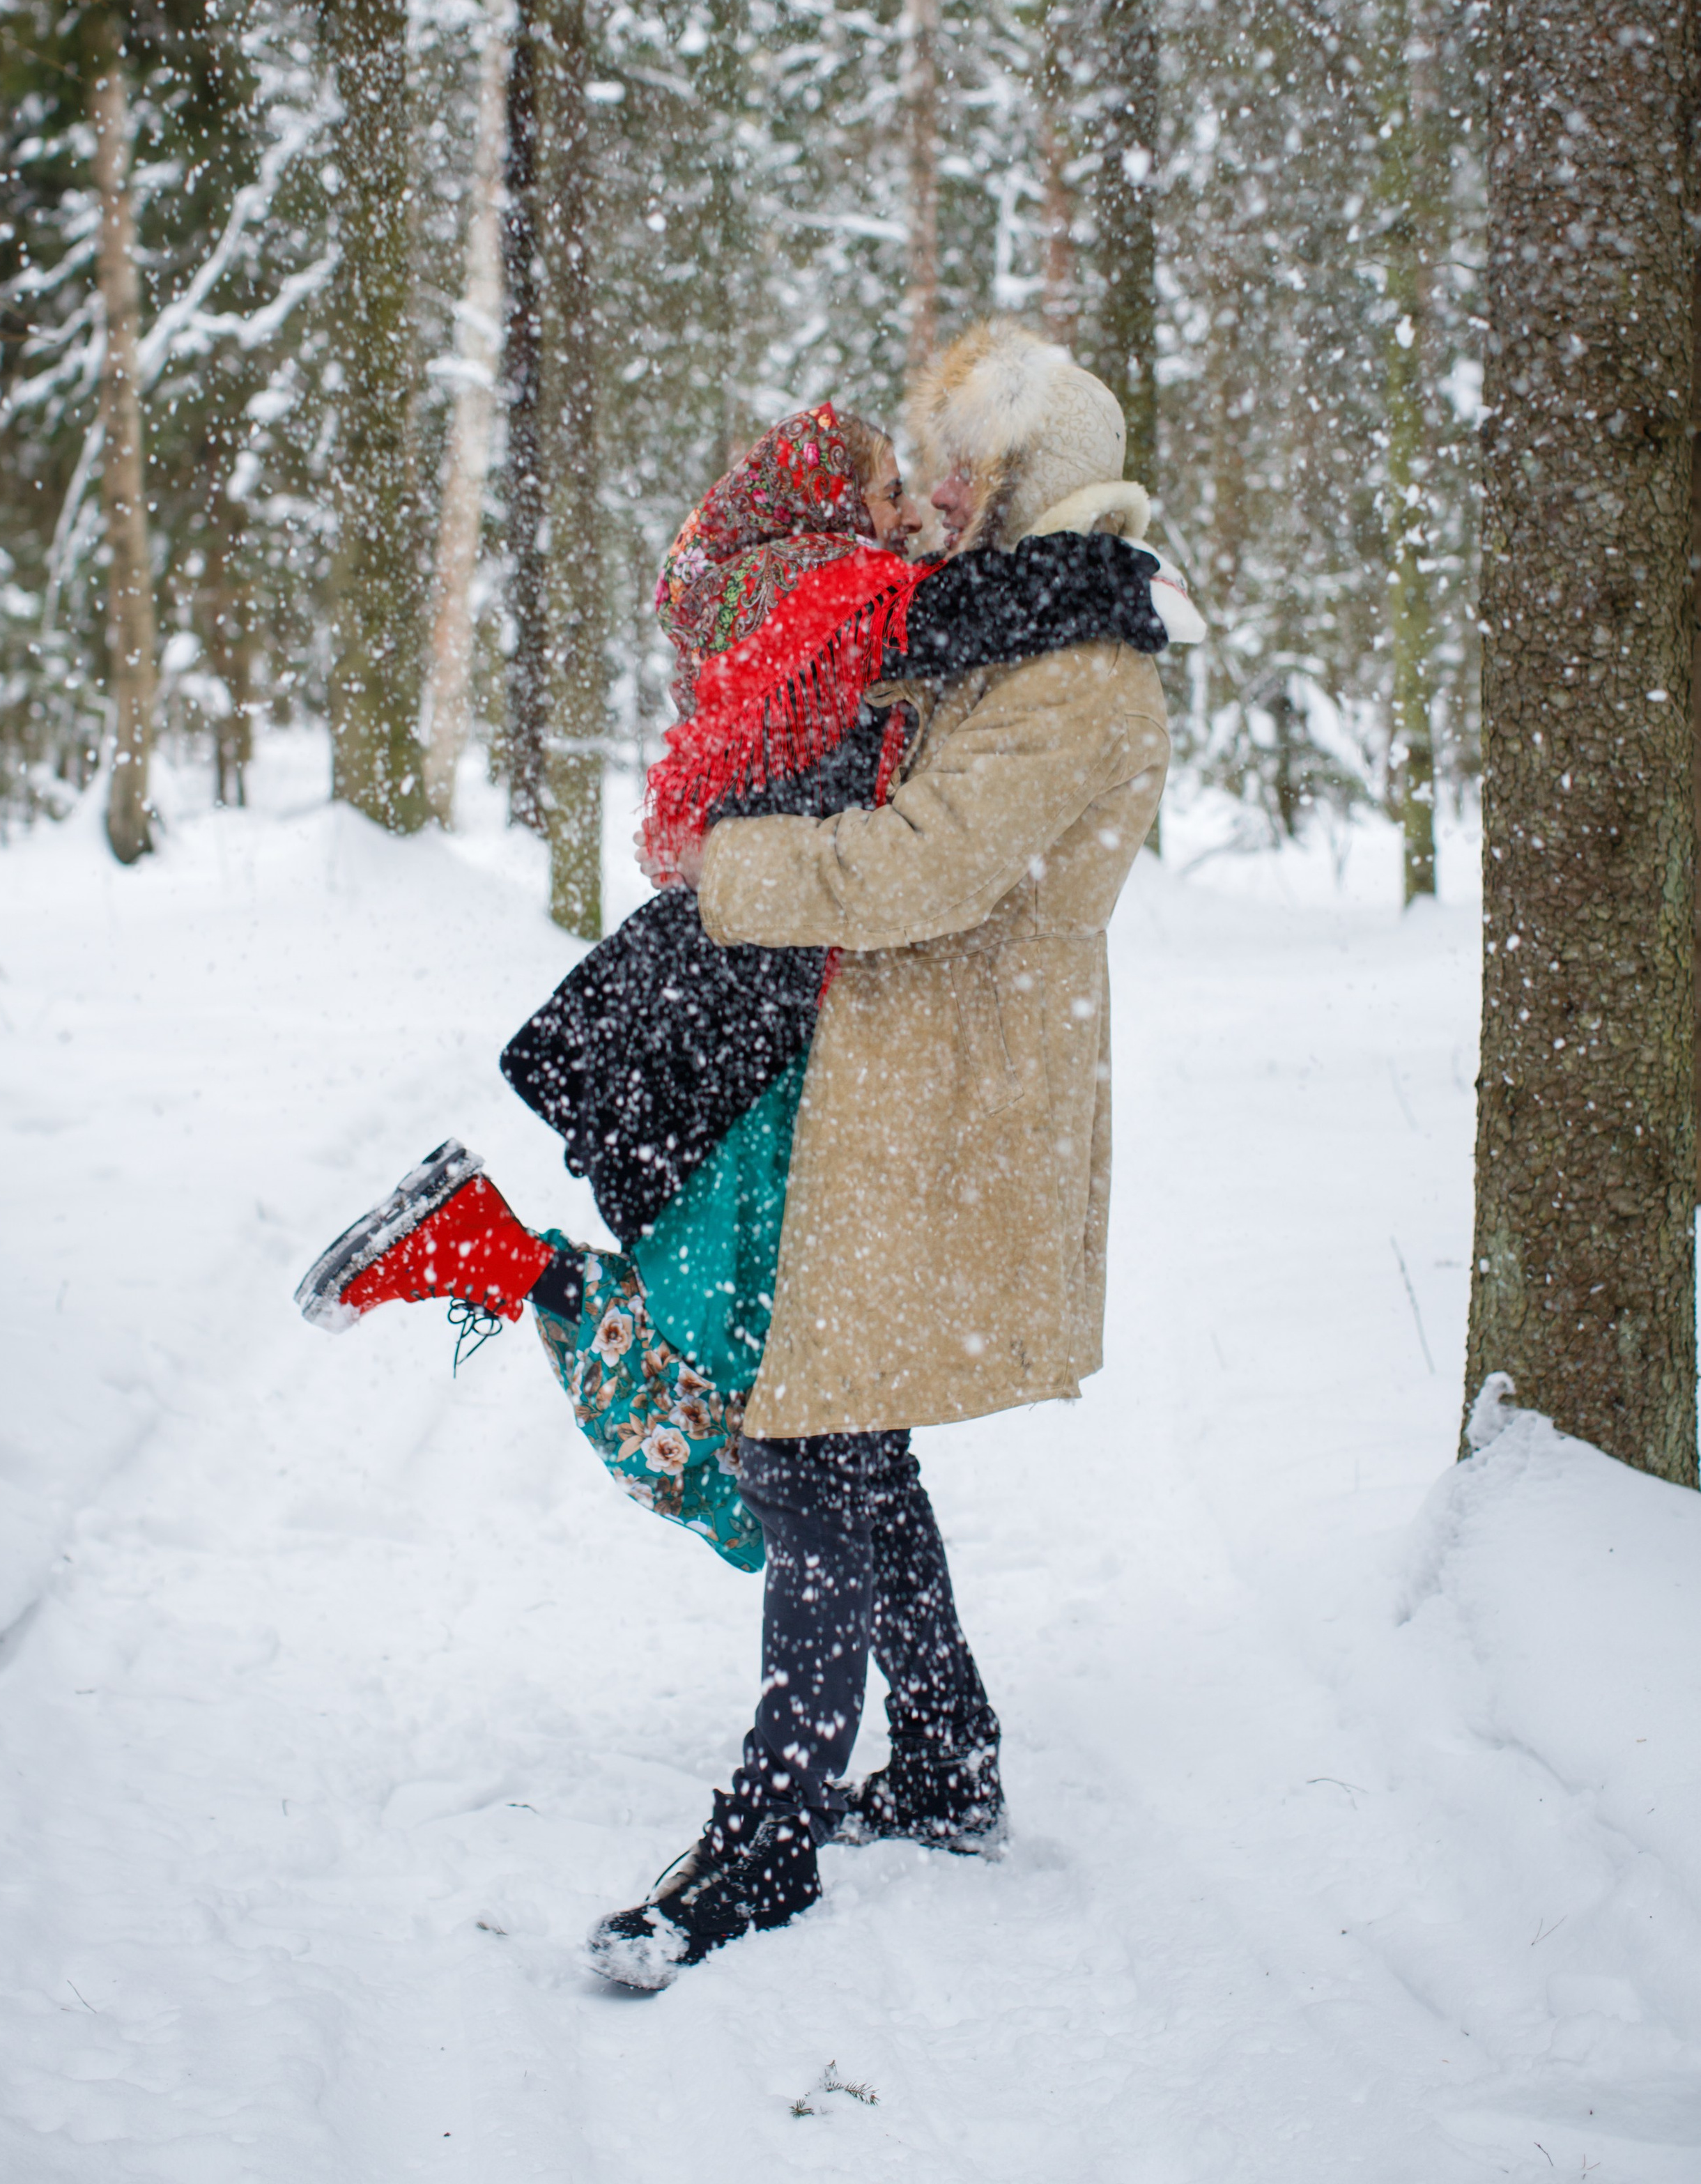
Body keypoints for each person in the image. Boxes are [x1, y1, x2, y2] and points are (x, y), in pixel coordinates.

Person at [293, 395, 1196, 1585]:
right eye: (887, 492)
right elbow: (974, 610)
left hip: (741, 985)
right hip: (742, 993)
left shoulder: (782, 585)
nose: (914, 515)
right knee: (749, 1398)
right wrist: (1119, 583)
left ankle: (490, 1250)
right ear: (819, 510)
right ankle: (491, 1251)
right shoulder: (824, 589)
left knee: (782, 1404)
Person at [585, 321, 1173, 1990]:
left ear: (1030, 475)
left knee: (809, 1442)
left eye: (967, 471)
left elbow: (925, 866)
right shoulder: (1029, 634)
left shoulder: (1082, 673)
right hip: (890, 1085)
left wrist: (727, 869)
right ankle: (946, 1761)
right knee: (840, 1434)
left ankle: (768, 1841)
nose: (940, 498)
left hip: (947, 1100)